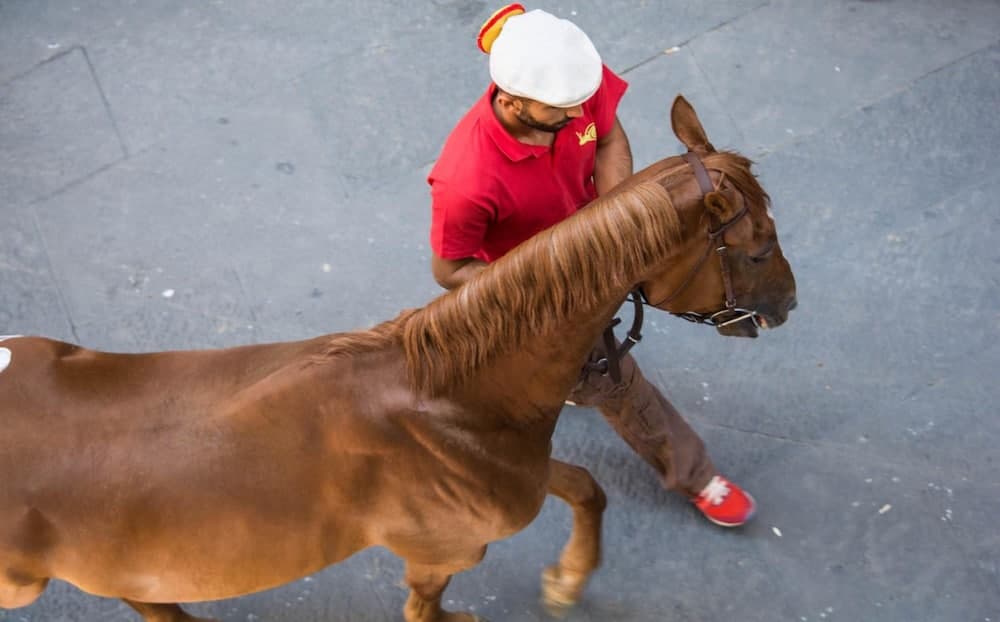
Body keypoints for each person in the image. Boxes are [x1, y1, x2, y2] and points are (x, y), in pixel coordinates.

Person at [425, 3, 756, 527]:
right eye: (564, 111)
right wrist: (556, 283)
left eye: (583, 100)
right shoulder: (466, 181)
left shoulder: (572, 84)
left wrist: (612, 220)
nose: (581, 113)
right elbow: (450, 270)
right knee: (617, 383)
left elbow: (609, 138)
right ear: (511, 102)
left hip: (595, 250)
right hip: (546, 289)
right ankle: (696, 477)